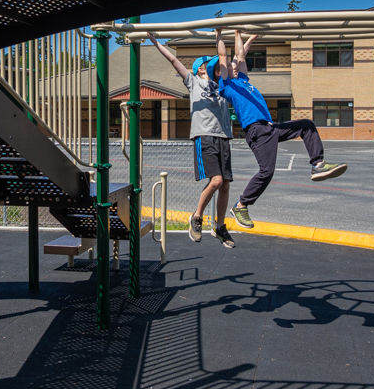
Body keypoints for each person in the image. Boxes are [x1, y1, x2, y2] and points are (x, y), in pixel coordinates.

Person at [216, 28, 347, 229]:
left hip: (271, 127)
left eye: (236, 66)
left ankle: (318, 164)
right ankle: (241, 205)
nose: (235, 66)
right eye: (230, 66)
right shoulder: (226, 85)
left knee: (307, 125)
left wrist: (244, 35)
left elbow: (241, 55)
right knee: (266, 172)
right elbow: (224, 56)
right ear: (222, 72)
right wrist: (221, 33)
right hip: (257, 131)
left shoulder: (243, 80)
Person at [148, 32, 236, 248]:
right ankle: (197, 217)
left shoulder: (221, 85)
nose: (214, 67)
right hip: (204, 136)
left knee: (225, 185)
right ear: (200, 69)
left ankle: (220, 226)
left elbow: (228, 59)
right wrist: (155, 41)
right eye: (208, 65)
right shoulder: (193, 82)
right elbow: (173, 60)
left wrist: (234, 36)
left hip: (223, 137)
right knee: (216, 181)